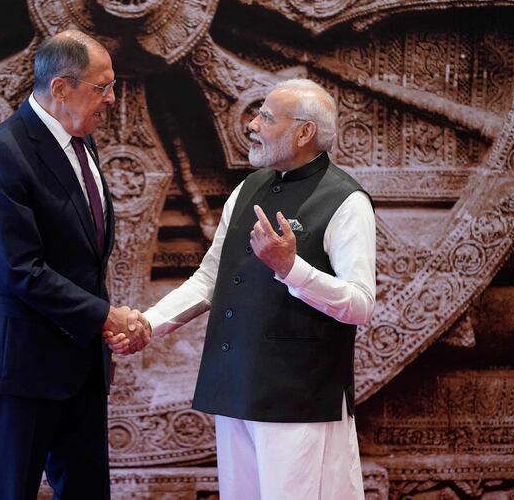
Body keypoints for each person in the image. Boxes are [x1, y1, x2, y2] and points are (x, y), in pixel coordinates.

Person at [108, 78, 376, 499]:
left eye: (266, 117)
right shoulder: (247, 189)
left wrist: (292, 268)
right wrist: (149, 323)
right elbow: (209, 278)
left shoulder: (346, 201)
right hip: (236, 388)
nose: (252, 125)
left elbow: (360, 304)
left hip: (299, 399)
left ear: (304, 132)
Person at [0, 30, 151, 500]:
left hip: (80, 359)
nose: (112, 99)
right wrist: (104, 316)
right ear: (61, 88)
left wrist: (101, 323)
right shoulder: (5, 150)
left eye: (113, 86)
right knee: (8, 491)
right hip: (20, 361)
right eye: (102, 87)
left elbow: (82, 254)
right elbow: (19, 267)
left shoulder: (81, 139)